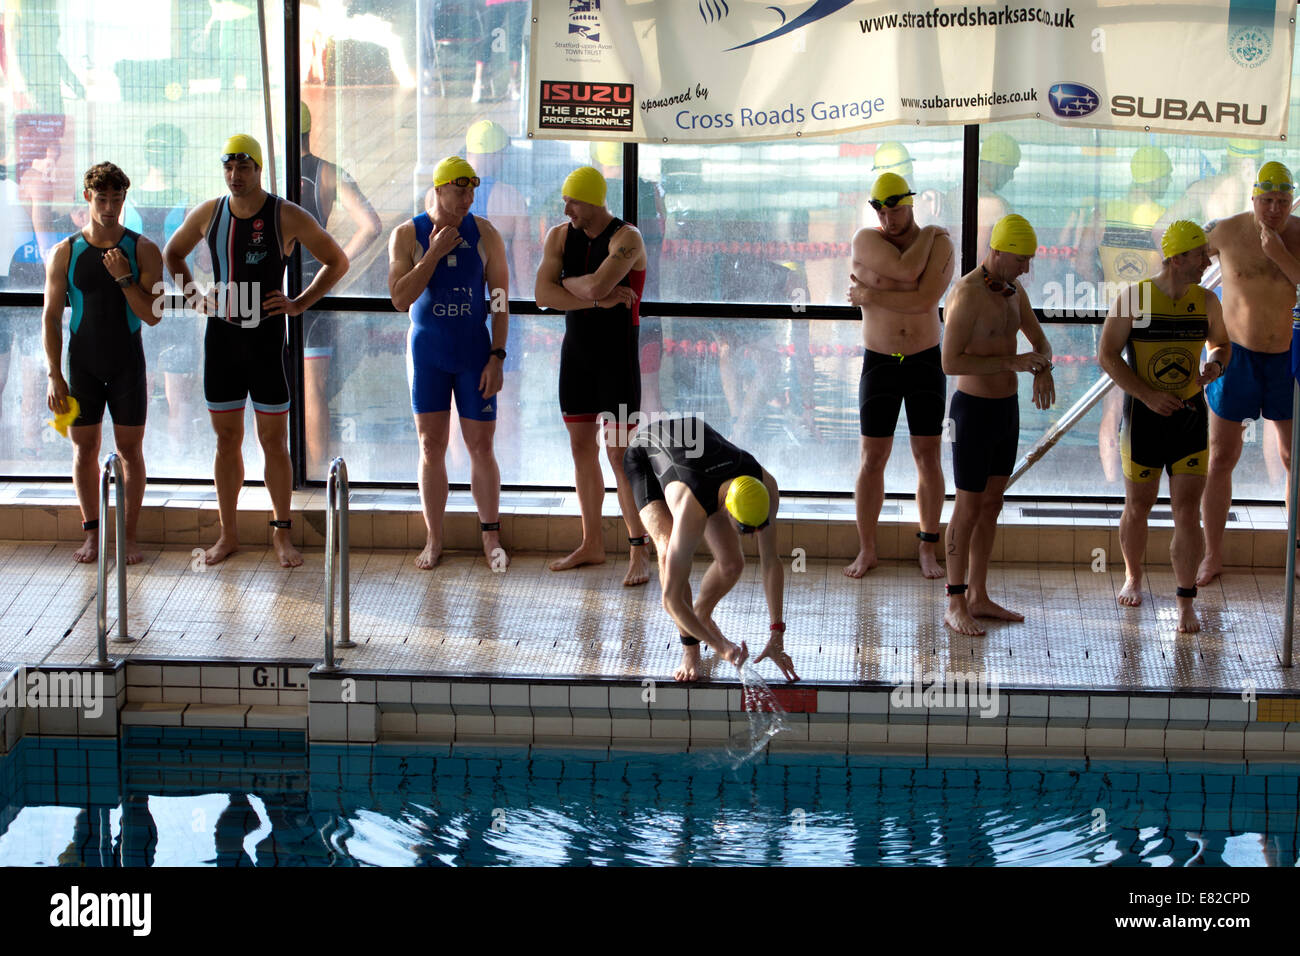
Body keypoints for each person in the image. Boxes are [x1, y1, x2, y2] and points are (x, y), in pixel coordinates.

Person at [163, 134, 348, 567]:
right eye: (228, 168)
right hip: (223, 341)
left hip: (266, 343)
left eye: (243, 167)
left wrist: (299, 303)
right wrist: (194, 297)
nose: (235, 176)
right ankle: (228, 534)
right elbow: (173, 254)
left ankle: (281, 534)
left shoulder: (285, 214)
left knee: (273, 443)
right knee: (226, 441)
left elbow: (336, 260)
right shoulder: (210, 213)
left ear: (259, 169)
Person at [1097, 221, 1230, 633]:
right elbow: (1107, 356)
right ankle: (1133, 575)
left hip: (1189, 417)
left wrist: (1216, 363)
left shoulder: (1207, 301)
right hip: (1144, 422)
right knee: (1138, 506)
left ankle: (1185, 600)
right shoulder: (1134, 299)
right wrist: (1147, 395)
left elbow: (1222, 343)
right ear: (1176, 258)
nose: (1207, 263)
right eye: (1200, 256)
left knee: (1187, 513)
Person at [387, 155, 510, 570]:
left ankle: (491, 536)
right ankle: (434, 538)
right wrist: (434, 254)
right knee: (431, 446)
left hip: (474, 353)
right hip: (428, 355)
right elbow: (401, 298)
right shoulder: (407, 235)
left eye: (472, 190)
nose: (468, 198)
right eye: (459, 191)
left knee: (481, 445)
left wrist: (498, 355)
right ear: (437, 190)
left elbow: (500, 301)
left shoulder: (486, 233)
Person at [534, 165, 651, 587]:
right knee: (581, 449)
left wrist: (571, 285)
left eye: (573, 202)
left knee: (620, 457)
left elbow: (600, 284)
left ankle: (639, 550)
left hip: (617, 359)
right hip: (578, 355)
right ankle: (592, 543)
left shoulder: (627, 238)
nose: (566, 209)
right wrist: (594, 300)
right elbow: (543, 295)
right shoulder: (558, 237)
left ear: (594, 201)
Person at [41, 162, 164, 564]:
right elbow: (50, 318)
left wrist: (125, 278)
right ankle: (93, 534)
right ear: (87, 198)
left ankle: (128, 535)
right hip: (83, 366)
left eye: (116, 199)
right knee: (84, 449)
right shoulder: (65, 252)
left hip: (127, 362)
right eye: (102, 198)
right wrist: (54, 374)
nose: (109, 207)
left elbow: (152, 315)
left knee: (130, 450)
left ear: (125, 199)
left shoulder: (143, 249)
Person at [941, 214, 1056, 636]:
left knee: (992, 504)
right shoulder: (966, 294)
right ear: (998, 251)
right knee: (968, 507)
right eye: (1021, 259)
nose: (1026, 268)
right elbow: (950, 361)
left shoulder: (1013, 291)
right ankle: (955, 601)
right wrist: (1012, 361)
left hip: (1006, 412)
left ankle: (978, 595)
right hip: (971, 412)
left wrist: (1043, 366)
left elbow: (1039, 340)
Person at [623, 415, 799, 683]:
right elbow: (671, 601)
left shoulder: (766, 485)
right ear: (727, 509)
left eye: (758, 528)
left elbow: (771, 562)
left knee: (732, 565)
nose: (754, 537)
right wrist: (722, 649)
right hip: (646, 453)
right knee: (669, 548)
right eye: (746, 530)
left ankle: (701, 617)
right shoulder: (691, 506)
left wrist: (777, 633)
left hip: (696, 443)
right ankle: (689, 652)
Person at [844, 171, 955, 579]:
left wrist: (871, 294)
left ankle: (928, 547)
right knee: (872, 458)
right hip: (880, 361)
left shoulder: (940, 243)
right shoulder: (866, 241)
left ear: (911, 205)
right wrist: (928, 237)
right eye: (883, 212)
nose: (890, 220)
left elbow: (925, 298)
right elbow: (909, 274)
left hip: (926, 359)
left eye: (898, 210)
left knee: (928, 456)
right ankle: (867, 549)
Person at [1197, 160, 1300, 585]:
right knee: (1221, 457)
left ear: (1291, 200)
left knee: (1294, 458)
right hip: (1236, 357)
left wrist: (1280, 254)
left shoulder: (1299, 234)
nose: (1274, 209)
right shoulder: (1227, 231)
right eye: (1267, 200)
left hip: (1286, 357)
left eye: (1282, 201)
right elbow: (1178, 263)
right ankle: (1212, 554)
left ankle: (1295, 552)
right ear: (1253, 198)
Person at [298, 101, 383, 475]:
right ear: (309, 129)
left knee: (272, 387)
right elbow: (371, 224)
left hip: (273, 285)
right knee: (313, 387)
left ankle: (282, 468)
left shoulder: (264, 172)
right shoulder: (328, 173)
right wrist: (337, 265)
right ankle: (315, 471)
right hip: (316, 282)